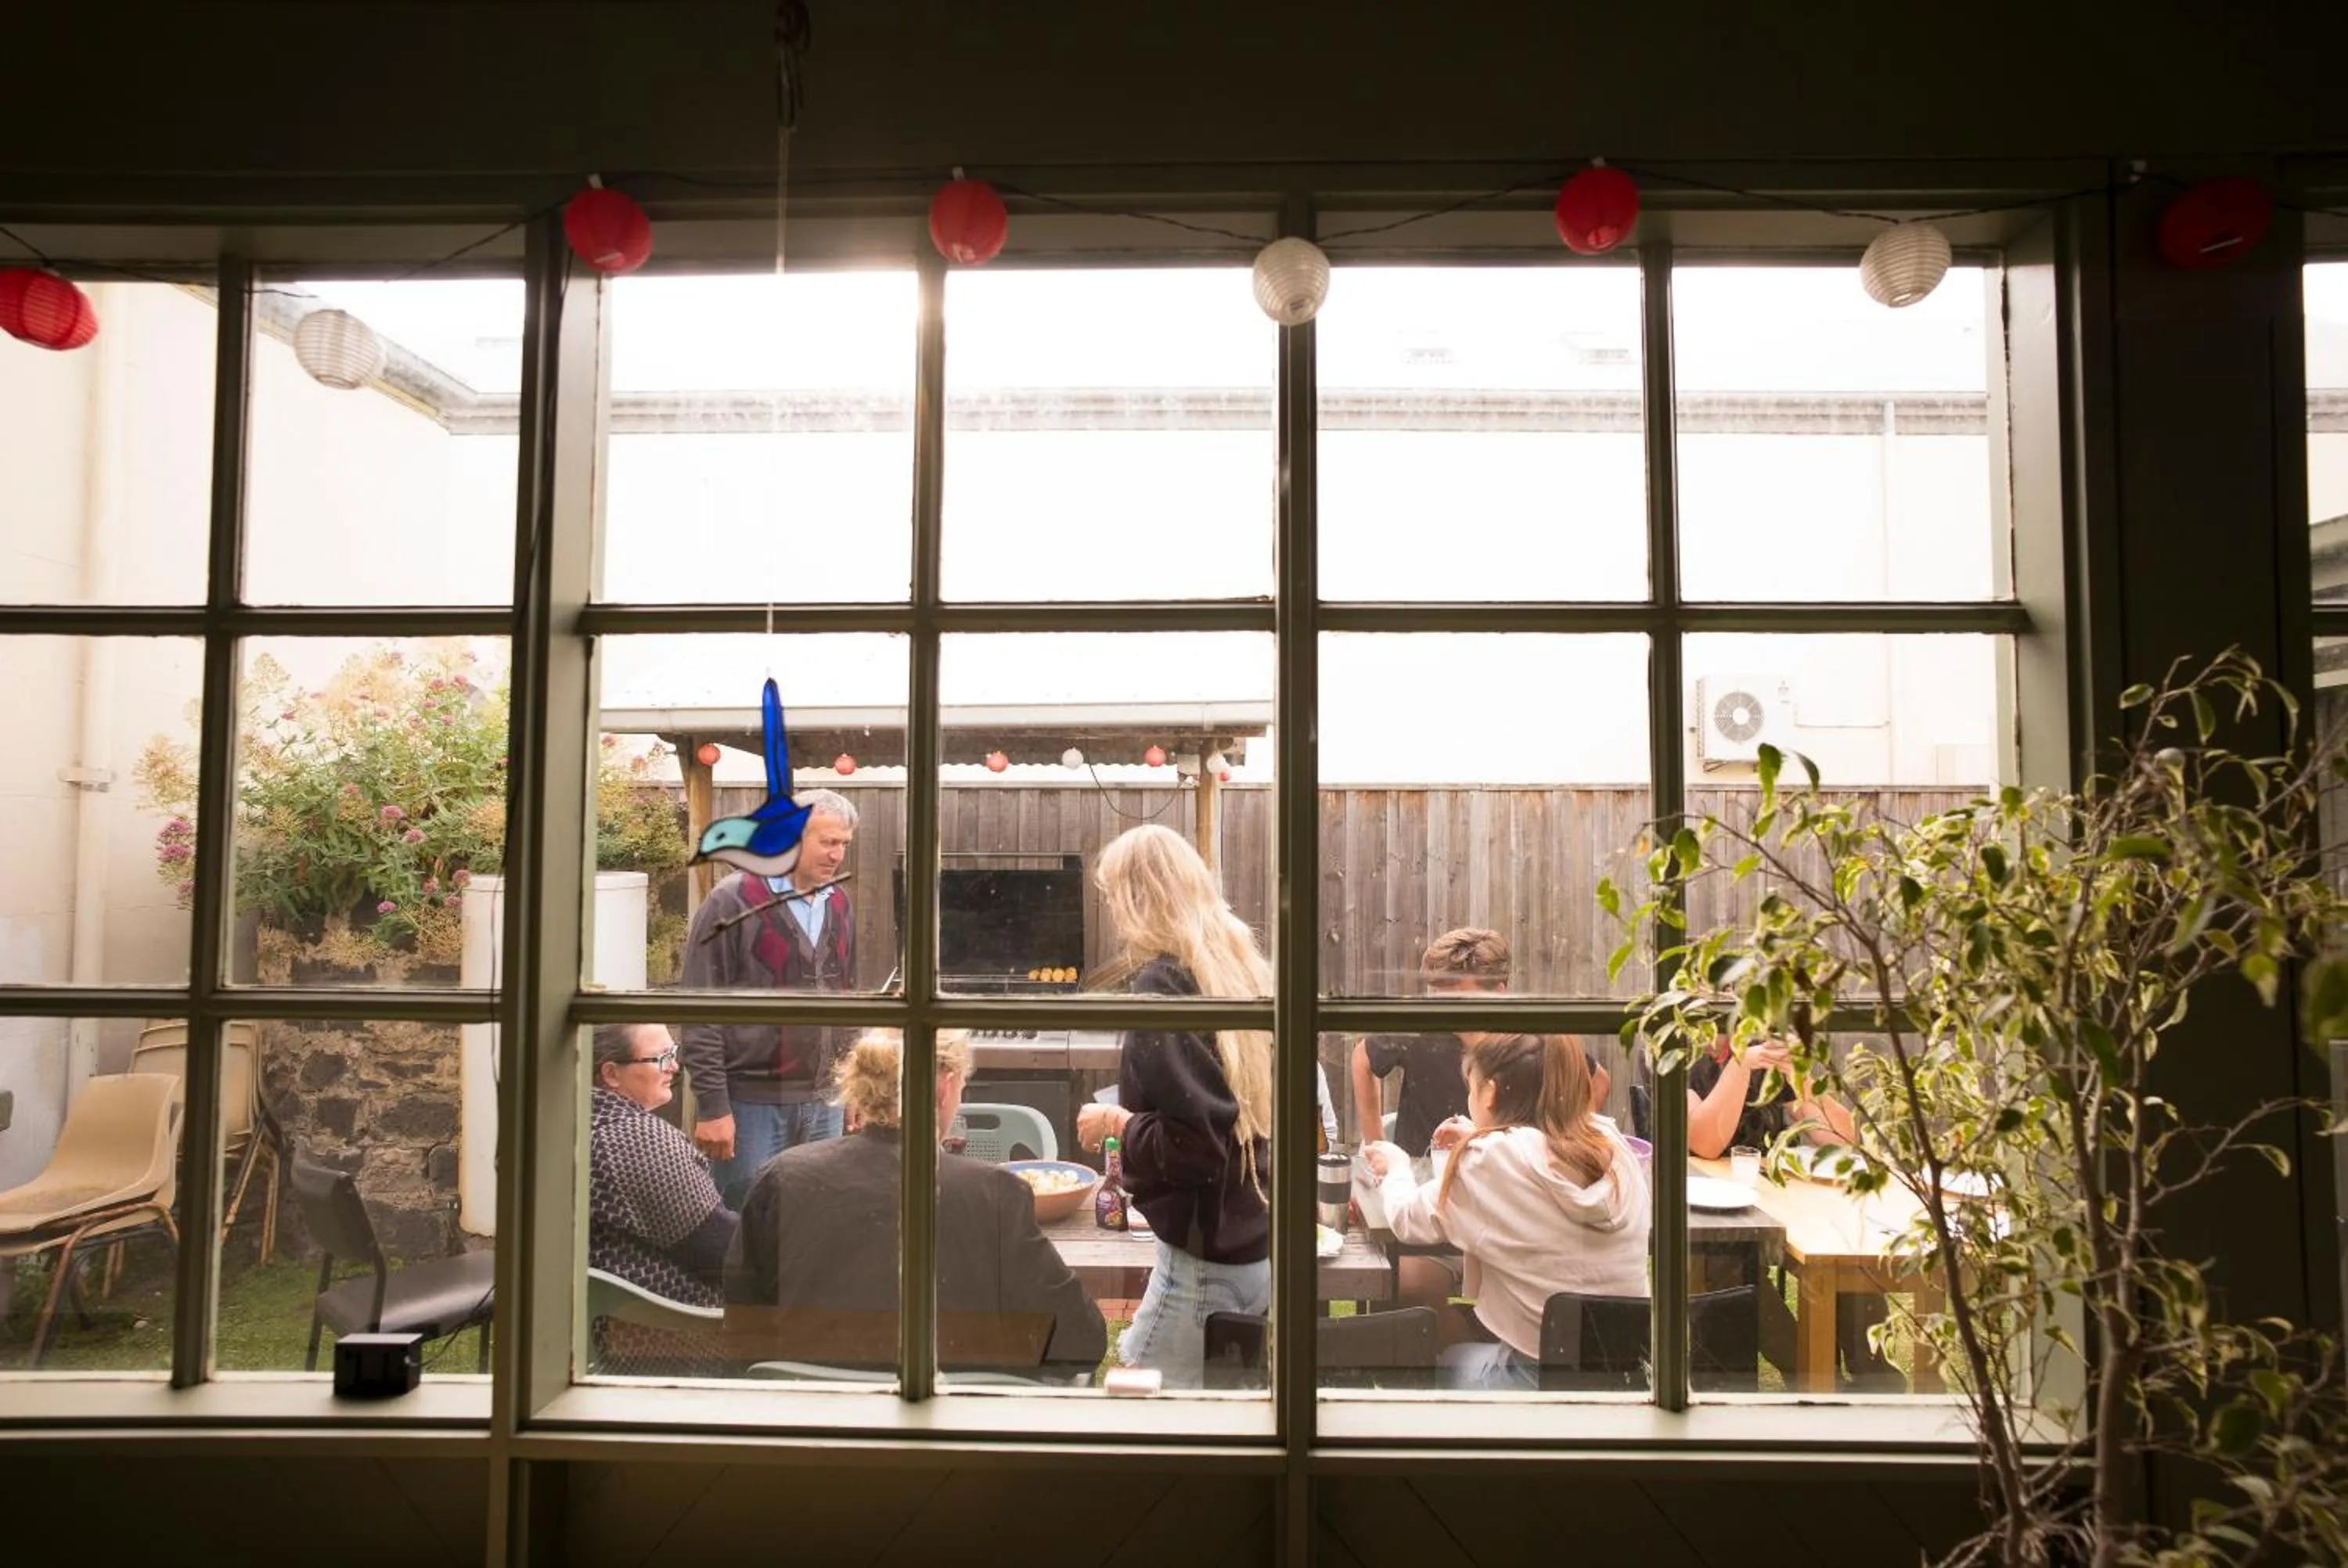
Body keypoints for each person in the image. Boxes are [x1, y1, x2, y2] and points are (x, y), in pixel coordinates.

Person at [726, 1030, 1105, 1378]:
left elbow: (744, 1332)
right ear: (944, 1085)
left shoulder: (783, 1177)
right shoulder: (994, 1194)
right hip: (955, 1436)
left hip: (818, 1433)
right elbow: (1081, 1340)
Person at [1074, 823, 1273, 1390]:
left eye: (1114, 896)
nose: (1112, 911)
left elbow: (1196, 1146)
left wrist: (1119, 1123)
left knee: (1136, 1424)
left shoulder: (1162, 987)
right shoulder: (1230, 970)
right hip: (1250, 1247)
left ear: (1137, 899)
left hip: (1201, 1269)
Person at [1360, 1033, 1649, 1390]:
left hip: (1533, 1380)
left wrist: (1397, 1165)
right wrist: (1484, 1132)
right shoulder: (1611, 1144)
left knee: (1439, 1356)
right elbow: (1540, 1148)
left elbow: (1407, 1219)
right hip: (1625, 1379)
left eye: (1472, 1087)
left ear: (1490, 1092)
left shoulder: (1490, 1161)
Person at [679, 787, 860, 1207]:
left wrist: (854, 1087)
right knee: (743, 1228)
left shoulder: (839, 904)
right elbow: (698, 1008)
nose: (837, 855)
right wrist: (712, 1107)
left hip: (825, 1101)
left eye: (844, 845)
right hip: (750, 1105)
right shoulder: (732, 901)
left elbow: (849, 1000)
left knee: (813, 1227)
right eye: (827, 842)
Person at [588, 1022, 737, 1373]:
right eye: (662, 1058)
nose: (675, 1066)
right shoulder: (634, 1139)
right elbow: (722, 1249)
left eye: (675, 1053)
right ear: (611, 1073)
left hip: (593, 1324)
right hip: (668, 1336)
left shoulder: (563, 1119)